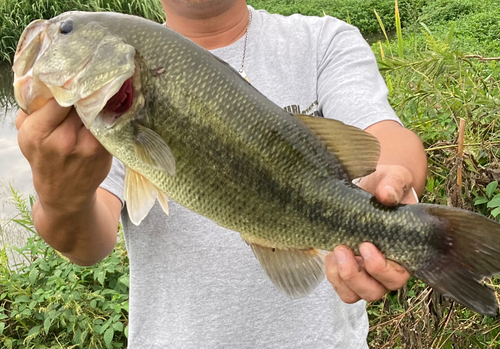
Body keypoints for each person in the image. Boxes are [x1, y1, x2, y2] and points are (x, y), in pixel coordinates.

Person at [15, 0, 427, 348]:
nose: (55, 34)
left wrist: (393, 181)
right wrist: (60, 200)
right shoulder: (99, 113)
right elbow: (88, 244)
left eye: (64, 30)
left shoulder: (322, 42)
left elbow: (386, 137)